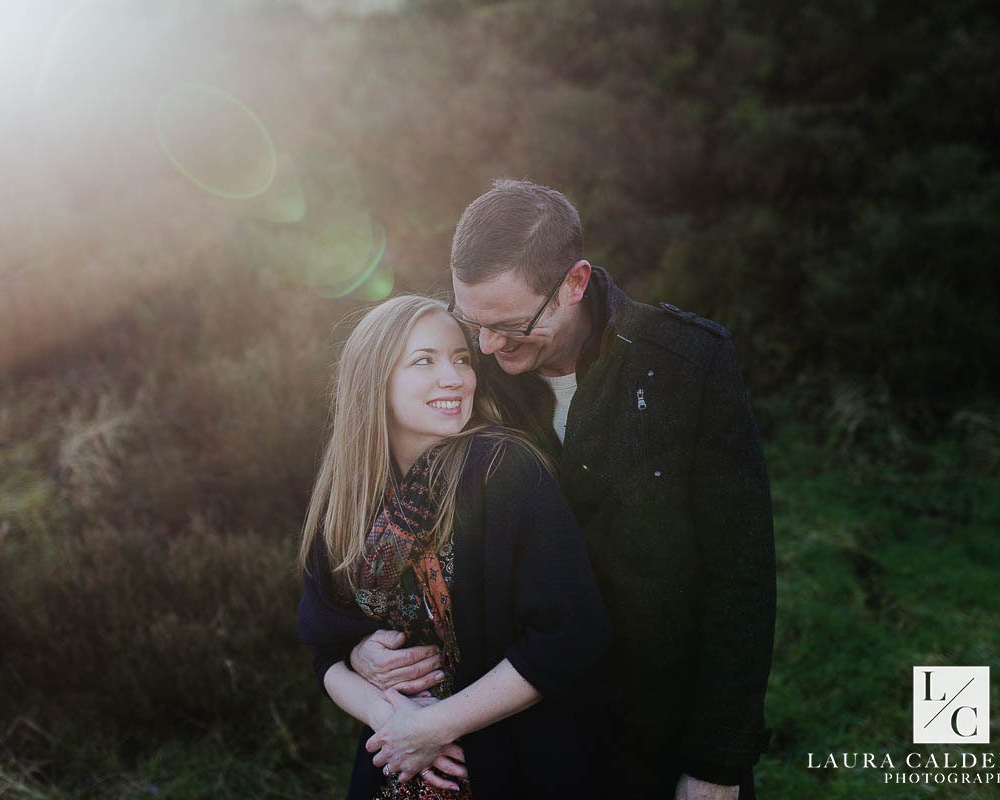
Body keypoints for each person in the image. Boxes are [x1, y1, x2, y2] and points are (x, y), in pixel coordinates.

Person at [350, 180, 776, 800]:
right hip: (518, 744)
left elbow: (742, 579)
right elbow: (391, 524)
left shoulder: (689, 365)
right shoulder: (462, 378)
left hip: (657, 729)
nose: (488, 348)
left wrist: (717, 763)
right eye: (475, 324)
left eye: (511, 326)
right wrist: (359, 652)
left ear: (574, 284)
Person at [296, 294, 612, 800]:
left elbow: (571, 634)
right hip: (396, 766)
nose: (456, 377)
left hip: (515, 766)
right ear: (373, 381)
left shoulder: (502, 470)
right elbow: (324, 651)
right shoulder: (348, 498)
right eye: (425, 361)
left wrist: (437, 725)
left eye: (461, 359)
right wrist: (394, 719)